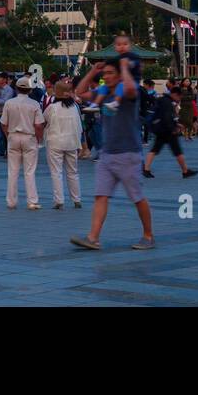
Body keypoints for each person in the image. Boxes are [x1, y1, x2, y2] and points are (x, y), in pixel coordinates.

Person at [70, 51, 154, 251]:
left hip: (128, 154)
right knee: (101, 195)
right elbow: (80, 92)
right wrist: (92, 71)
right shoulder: (103, 93)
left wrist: (124, 67)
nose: (105, 76)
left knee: (137, 197)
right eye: (104, 73)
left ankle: (148, 235)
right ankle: (93, 237)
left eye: (109, 73)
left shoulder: (127, 93)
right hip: (108, 154)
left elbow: (132, 88)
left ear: (119, 74)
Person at [1, 76, 46, 210]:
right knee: (29, 171)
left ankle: (11, 201)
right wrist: (39, 138)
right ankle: (32, 201)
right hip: (29, 137)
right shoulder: (34, 104)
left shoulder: (9, 103)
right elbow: (39, 125)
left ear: (16, 88)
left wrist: (8, 135)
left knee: (13, 171)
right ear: (30, 90)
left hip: (13, 136)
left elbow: (3, 123)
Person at [142, 85, 198, 179]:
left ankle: (146, 169)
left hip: (160, 129)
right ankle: (185, 171)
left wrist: (176, 124)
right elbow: (167, 117)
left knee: (154, 149)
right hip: (167, 130)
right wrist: (173, 128)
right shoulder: (167, 102)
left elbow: (166, 116)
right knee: (177, 151)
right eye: (179, 97)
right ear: (175, 94)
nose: (179, 99)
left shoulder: (163, 99)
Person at [44, 80, 82, 209]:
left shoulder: (52, 108)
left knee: (56, 172)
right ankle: (77, 199)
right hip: (72, 142)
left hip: (55, 142)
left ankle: (59, 200)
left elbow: (43, 121)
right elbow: (79, 126)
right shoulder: (75, 107)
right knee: (73, 172)